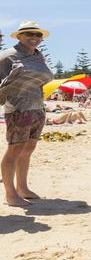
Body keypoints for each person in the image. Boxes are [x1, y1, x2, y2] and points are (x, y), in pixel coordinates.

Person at [0, 21, 53, 206]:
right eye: (29, 34)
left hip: (37, 107)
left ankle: (22, 188)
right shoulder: (8, 56)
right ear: (19, 36)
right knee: (15, 149)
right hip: (18, 109)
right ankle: (10, 194)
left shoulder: (39, 56)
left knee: (28, 149)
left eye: (38, 35)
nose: (35, 38)